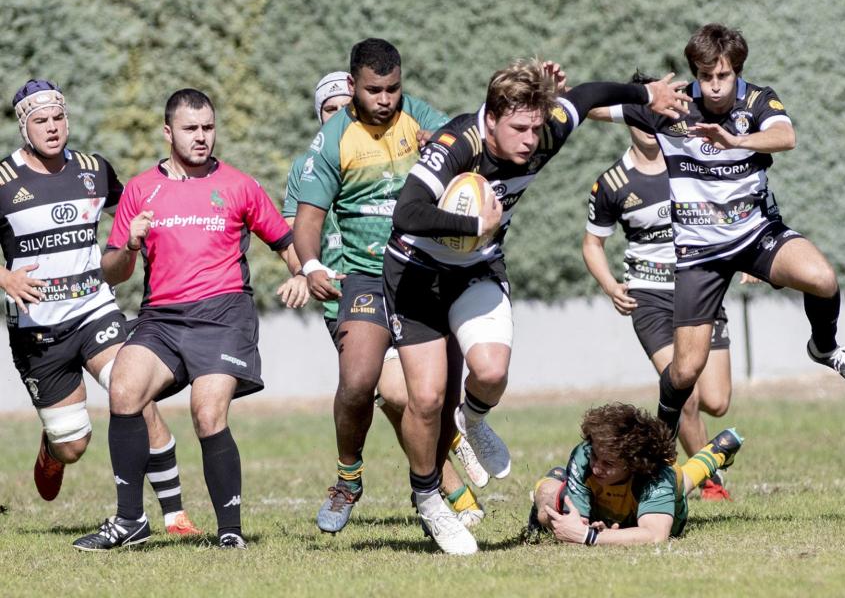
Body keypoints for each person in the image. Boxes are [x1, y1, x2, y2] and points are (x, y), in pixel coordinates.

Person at [384, 58, 691, 554]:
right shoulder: (458, 143)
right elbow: (408, 212)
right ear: (490, 119)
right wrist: (472, 225)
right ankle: (430, 501)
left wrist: (646, 95)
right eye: (519, 128)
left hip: (476, 269)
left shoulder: (546, 131)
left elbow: (588, 93)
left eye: (535, 127)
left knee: (491, 371)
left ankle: (474, 420)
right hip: (415, 274)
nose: (530, 140)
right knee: (424, 398)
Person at [72, 88, 306, 551]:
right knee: (124, 387)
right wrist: (132, 244)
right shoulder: (141, 189)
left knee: (207, 411)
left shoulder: (240, 185)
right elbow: (114, 271)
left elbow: (285, 242)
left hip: (223, 314)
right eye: (190, 129)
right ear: (168, 132)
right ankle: (131, 521)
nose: (201, 137)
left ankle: (230, 531)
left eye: (208, 128)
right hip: (162, 318)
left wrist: (302, 273)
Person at [596, 24, 845, 437]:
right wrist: (642, 95)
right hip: (700, 254)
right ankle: (659, 444)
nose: (714, 87)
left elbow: (785, 136)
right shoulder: (672, 106)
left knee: (822, 278)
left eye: (723, 76)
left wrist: (736, 141)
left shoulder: (757, 99)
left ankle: (824, 348)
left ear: (737, 71)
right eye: (705, 76)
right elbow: (590, 107)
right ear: (694, 74)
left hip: (755, 235)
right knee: (684, 372)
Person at [284, 70, 487, 530]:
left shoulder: (412, 121)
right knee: (367, 387)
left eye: (342, 104)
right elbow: (295, 232)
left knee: (406, 396)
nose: (338, 113)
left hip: (412, 280)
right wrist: (303, 269)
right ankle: (374, 478)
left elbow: (461, 142)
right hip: (350, 293)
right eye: (328, 108)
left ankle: (442, 474)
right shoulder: (314, 162)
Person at [0, 79, 200, 536]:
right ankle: (53, 448)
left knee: (133, 394)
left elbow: (136, 212)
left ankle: (174, 514)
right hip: (39, 332)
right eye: (40, 121)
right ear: (23, 128)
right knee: (74, 445)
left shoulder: (94, 170)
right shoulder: (4, 182)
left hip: (95, 312)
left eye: (58, 118)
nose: (52, 128)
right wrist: (6, 277)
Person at [582, 73, 736, 500]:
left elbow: (726, 209)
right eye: (640, 114)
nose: (649, 125)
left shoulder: (688, 162)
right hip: (648, 297)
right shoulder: (613, 183)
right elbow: (593, 244)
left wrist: (747, 258)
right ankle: (707, 480)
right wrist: (610, 283)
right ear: (629, 118)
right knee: (682, 392)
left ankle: (687, 451)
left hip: (700, 287)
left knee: (716, 400)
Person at [526, 402, 743, 545]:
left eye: (608, 463)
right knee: (547, 489)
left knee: (679, 481)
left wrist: (588, 536)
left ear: (634, 463)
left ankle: (717, 452)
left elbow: (655, 535)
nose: (596, 467)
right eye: (595, 457)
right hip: (609, 506)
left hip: (659, 490)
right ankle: (719, 450)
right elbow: (576, 521)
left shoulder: (656, 474)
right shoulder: (585, 455)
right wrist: (587, 525)